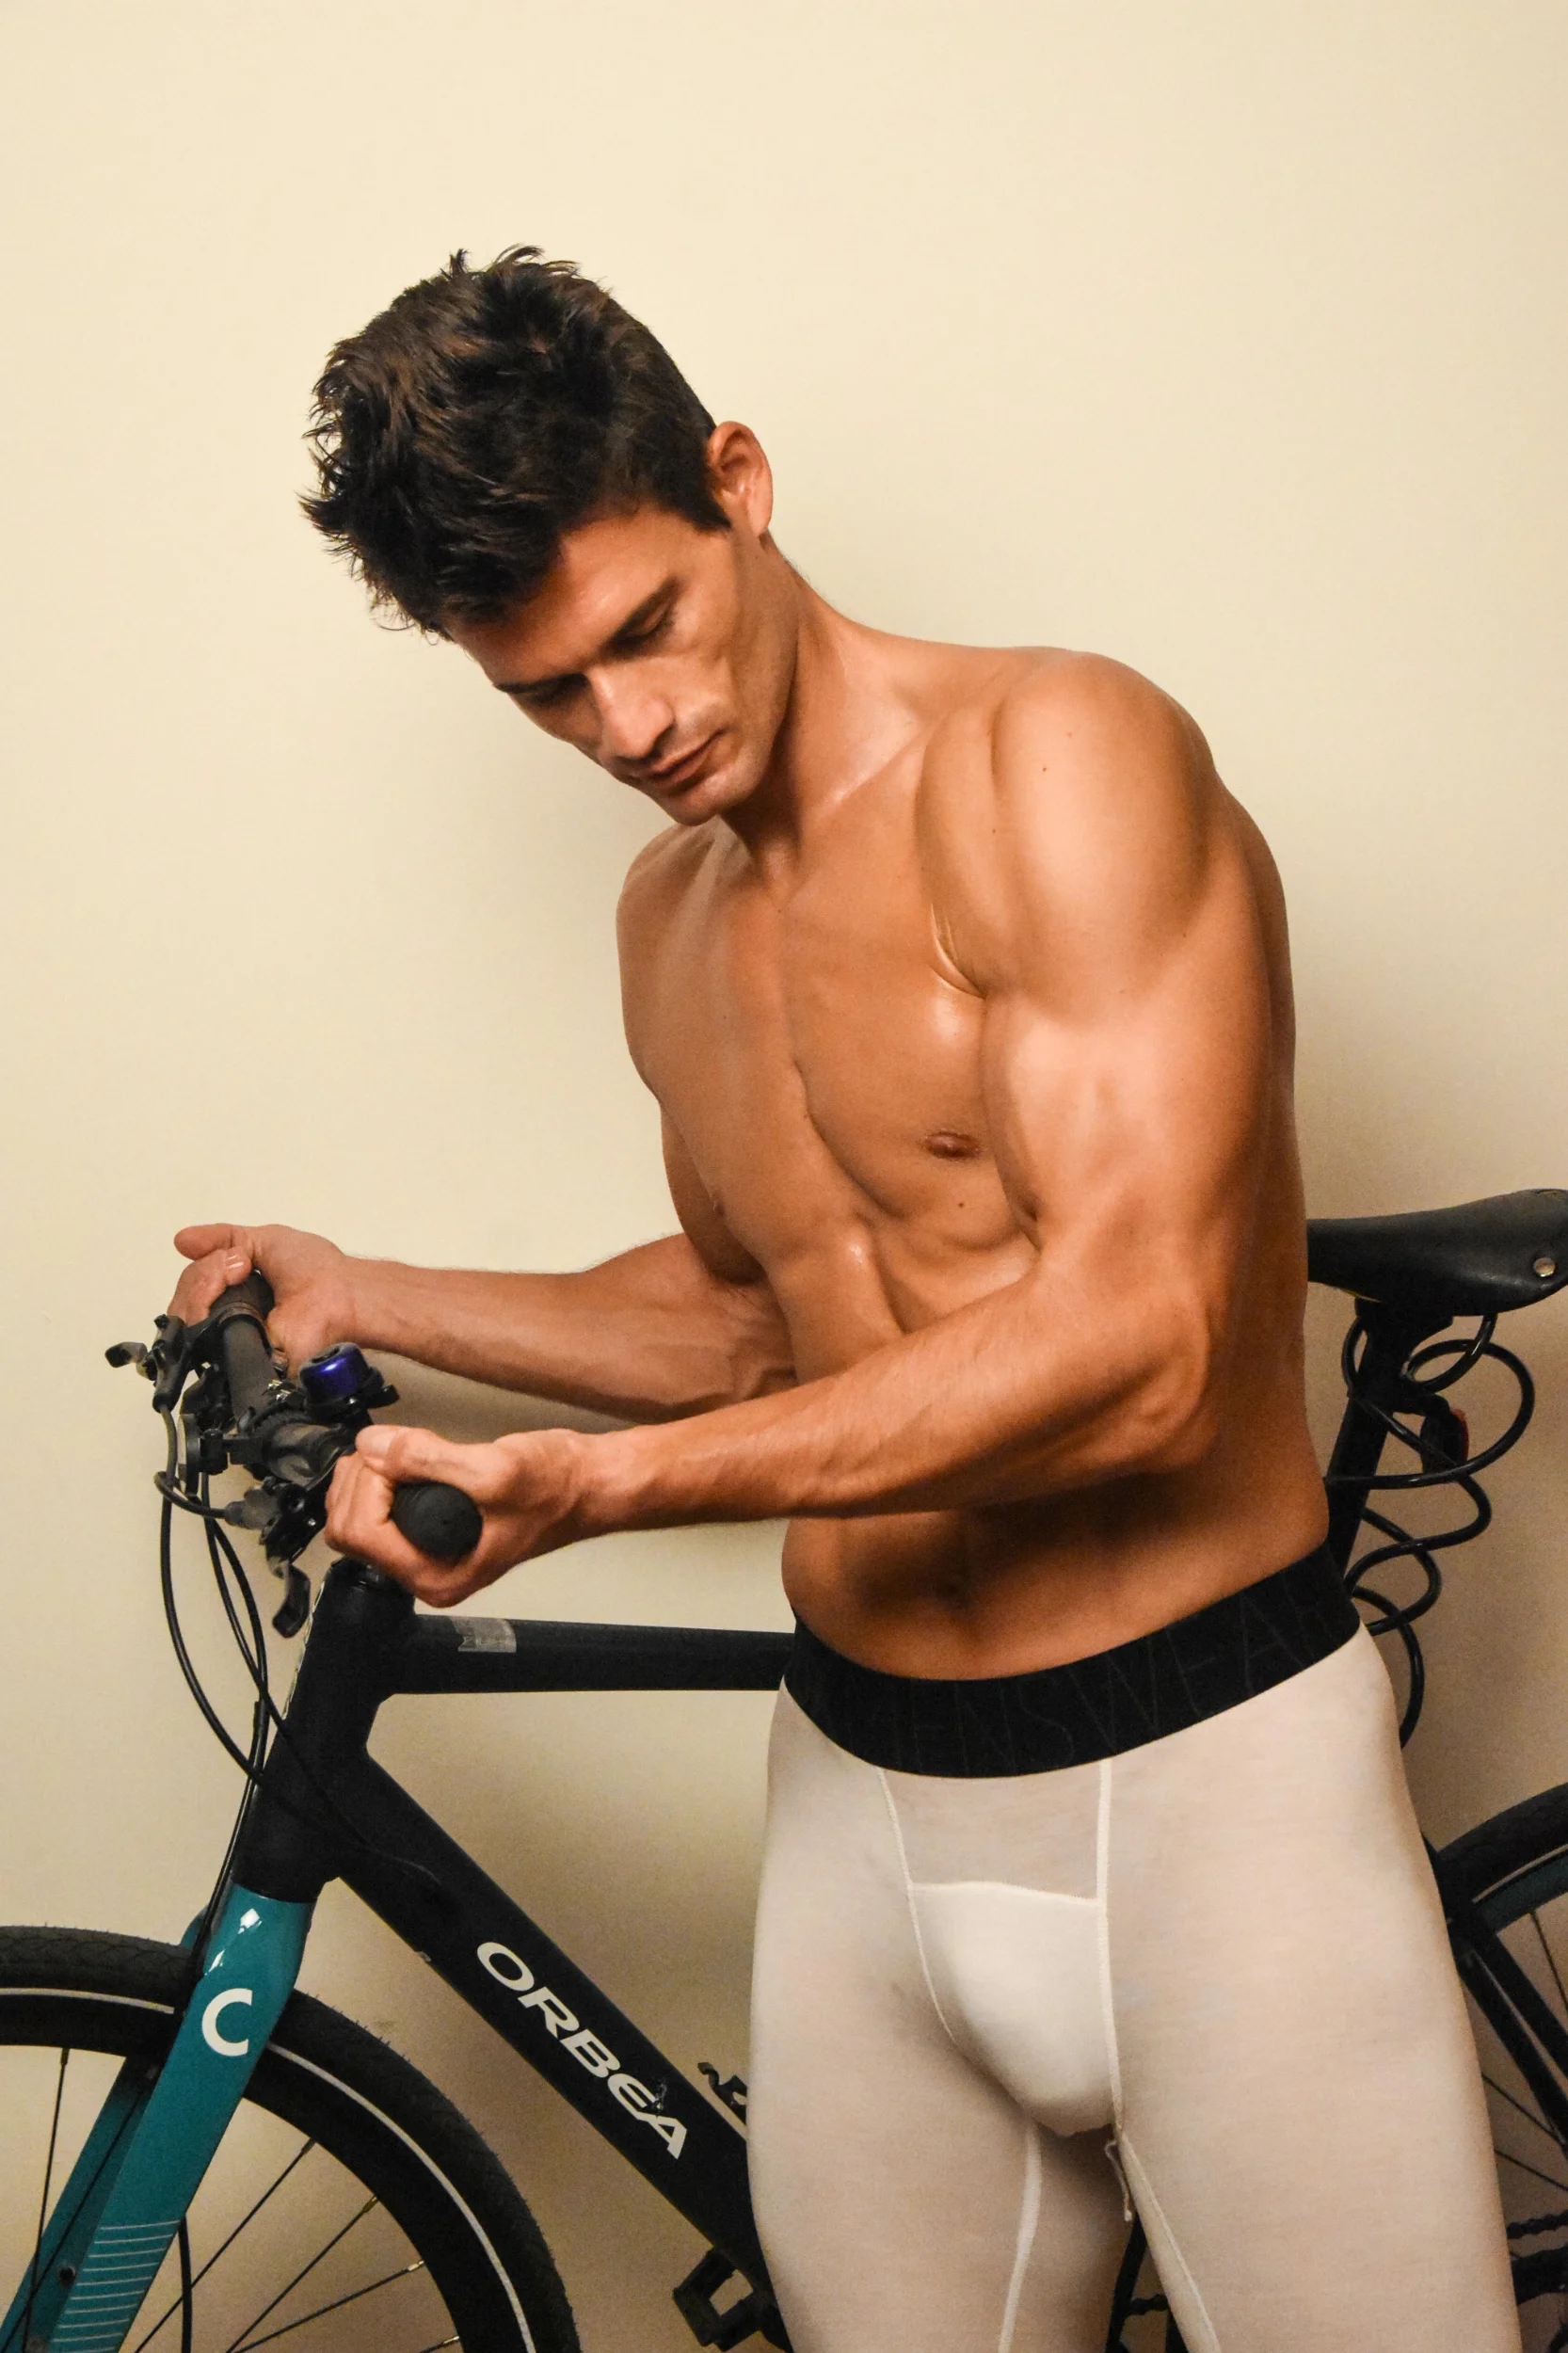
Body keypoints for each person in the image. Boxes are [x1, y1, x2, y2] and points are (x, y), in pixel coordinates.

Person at [169, 248, 1517, 2352]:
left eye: (645, 629)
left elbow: (1146, 1350)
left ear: (737, 482)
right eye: (548, 695)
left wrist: (600, 1491)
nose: (630, 727)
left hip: (1201, 1788)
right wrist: (371, 1289)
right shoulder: (669, 914)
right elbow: (758, 1318)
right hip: (861, 1805)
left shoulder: (1054, 758)